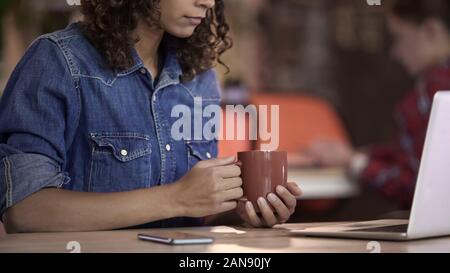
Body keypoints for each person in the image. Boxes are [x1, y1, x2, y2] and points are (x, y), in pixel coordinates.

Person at [0, 0, 301, 233]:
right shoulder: (57, 61)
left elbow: (190, 214)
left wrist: (245, 213)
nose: (208, 2)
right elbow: (25, 211)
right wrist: (176, 197)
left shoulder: (198, 78)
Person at [297, 0, 450, 208]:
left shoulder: (427, 95)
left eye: (399, 38)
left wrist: (355, 164)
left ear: (431, 31)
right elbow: (413, 155)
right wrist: (358, 155)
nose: (396, 52)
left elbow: (417, 186)